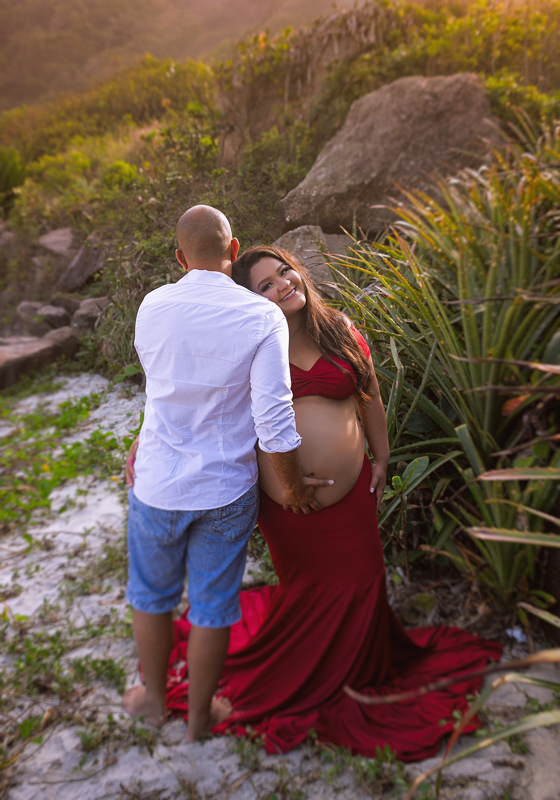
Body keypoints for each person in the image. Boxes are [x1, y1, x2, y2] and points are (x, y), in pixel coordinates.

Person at [160, 245, 502, 761]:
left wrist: (383, 458)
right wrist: (150, 441)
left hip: (352, 496)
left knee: (364, 579)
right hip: (286, 510)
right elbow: (205, 406)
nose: (282, 286)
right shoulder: (252, 342)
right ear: (252, 300)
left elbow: (370, 398)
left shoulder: (339, 329)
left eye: (284, 272)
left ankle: (359, 673)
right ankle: (308, 676)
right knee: (306, 590)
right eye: (265, 286)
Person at [122, 212, 332, 744]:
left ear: (179, 258)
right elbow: (274, 421)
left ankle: (151, 703)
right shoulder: (261, 317)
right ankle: (198, 721)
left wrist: (141, 441)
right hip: (225, 489)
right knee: (213, 605)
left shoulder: (153, 306)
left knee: (151, 597)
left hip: (158, 485)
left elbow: (161, 388)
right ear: (233, 249)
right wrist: (294, 487)